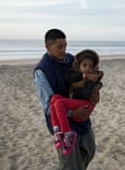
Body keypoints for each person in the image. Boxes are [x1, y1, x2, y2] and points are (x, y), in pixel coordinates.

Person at [34, 29, 97, 169]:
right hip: (62, 124)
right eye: (59, 47)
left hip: (81, 116)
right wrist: (72, 113)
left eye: (65, 46)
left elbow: (86, 76)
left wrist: (93, 94)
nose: (63, 50)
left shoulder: (72, 60)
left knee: (89, 150)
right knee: (68, 164)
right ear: (47, 47)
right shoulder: (41, 71)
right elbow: (48, 106)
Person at [50, 49, 103, 156]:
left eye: (90, 66)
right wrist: (83, 77)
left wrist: (85, 82)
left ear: (94, 68)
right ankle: (58, 132)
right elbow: (68, 77)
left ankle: (67, 134)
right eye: (84, 65)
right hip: (76, 105)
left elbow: (88, 92)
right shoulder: (77, 75)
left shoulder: (93, 78)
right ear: (78, 65)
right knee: (54, 98)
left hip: (84, 107)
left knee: (59, 103)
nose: (87, 68)